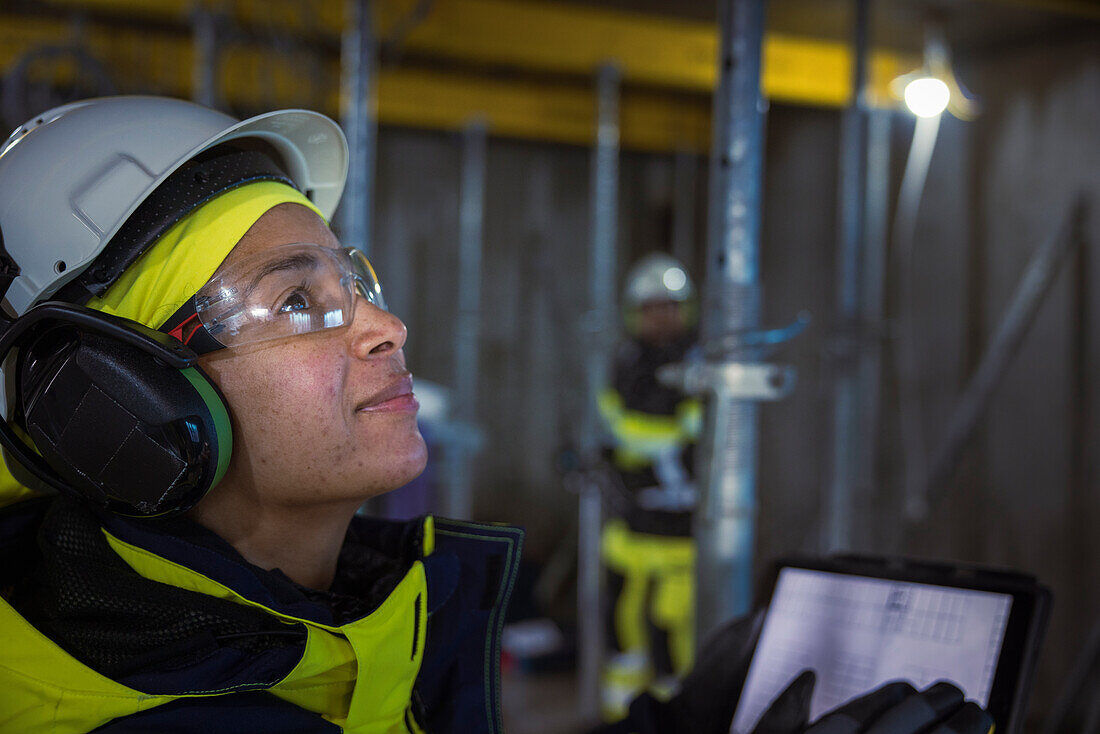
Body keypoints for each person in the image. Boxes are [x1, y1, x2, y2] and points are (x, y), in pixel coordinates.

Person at [0, 96, 995, 734]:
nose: (387, 325)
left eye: (355, 279)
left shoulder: (288, 618)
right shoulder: (146, 714)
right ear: (117, 406)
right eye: (296, 301)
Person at [596, 253, 701, 720]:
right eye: (650, 307)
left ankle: (672, 721)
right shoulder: (625, 361)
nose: (660, 317)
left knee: (672, 637)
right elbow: (615, 423)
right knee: (622, 633)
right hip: (628, 529)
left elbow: (677, 433)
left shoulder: (701, 366)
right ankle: (621, 720)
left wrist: (636, 442)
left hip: (680, 536)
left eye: (669, 306)